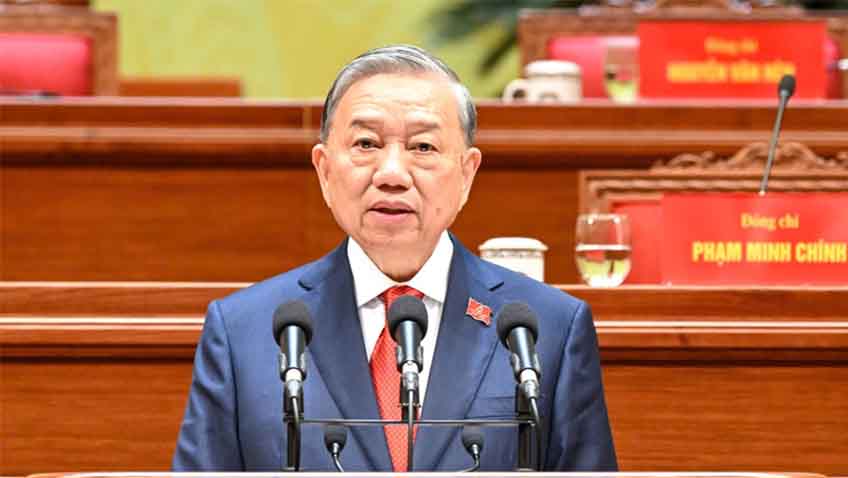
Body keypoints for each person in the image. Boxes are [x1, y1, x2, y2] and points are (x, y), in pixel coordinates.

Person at [172, 44, 617, 472]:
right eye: (366, 143)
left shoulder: (549, 328)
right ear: (324, 170)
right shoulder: (242, 332)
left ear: (467, 173)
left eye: (423, 147)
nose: (391, 174)